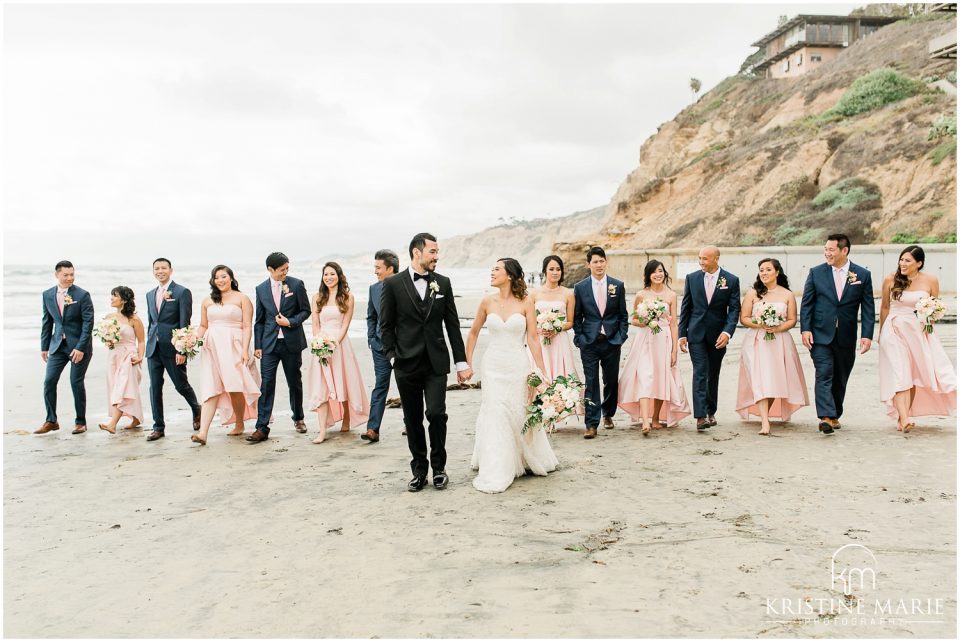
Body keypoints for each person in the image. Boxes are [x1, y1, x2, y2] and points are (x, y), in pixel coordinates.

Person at [378, 233, 470, 492]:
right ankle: (419, 470)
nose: (437, 256)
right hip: (405, 363)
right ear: (417, 253)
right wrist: (392, 356)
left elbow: (452, 325)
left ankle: (439, 468)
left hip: (436, 362)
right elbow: (386, 325)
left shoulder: (443, 283)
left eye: (437, 251)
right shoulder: (393, 284)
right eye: (433, 251)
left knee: (436, 413)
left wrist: (461, 362)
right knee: (413, 418)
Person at [465, 258, 558, 493]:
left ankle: (524, 458)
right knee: (495, 411)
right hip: (493, 365)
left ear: (509, 275)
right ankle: (497, 464)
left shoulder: (526, 302)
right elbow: (473, 333)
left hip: (517, 364)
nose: (492, 272)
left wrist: (541, 370)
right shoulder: (487, 301)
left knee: (517, 410)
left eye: (496, 269)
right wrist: (467, 363)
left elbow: (533, 339)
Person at [800, 233, 875, 435]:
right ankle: (825, 416)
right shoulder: (816, 273)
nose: (827, 253)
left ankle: (834, 415)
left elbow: (868, 308)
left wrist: (867, 335)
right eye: (825, 249)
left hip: (846, 335)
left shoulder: (862, 275)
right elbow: (807, 304)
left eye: (831, 249)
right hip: (820, 334)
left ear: (844, 250)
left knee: (840, 376)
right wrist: (805, 329)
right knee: (824, 373)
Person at [878, 245, 956, 431]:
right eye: (901, 259)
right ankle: (904, 419)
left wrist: (929, 318)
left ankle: (903, 416)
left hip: (918, 331)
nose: (902, 264)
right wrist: (881, 334)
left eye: (907, 261)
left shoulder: (931, 280)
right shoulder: (891, 278)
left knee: (911, 374)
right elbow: (885, 308)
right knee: (900, 371)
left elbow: (935, 307)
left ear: (919, 263)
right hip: (894, 329)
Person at [735, 259, 808, 435]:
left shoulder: (787, 295)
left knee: (776, 380)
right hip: (757, 341)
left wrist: (777, 327)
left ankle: (765, 415)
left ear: (777, 272)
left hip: (780, 341)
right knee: (760, 379)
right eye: (761, 270)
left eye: (768, 269)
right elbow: (744, 318)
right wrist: (760, 323)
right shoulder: (753, 293)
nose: (764, 273)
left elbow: (792, 320)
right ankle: (765, 422)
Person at [618, 259, 691, 434]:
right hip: (644, 340)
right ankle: (644, 421)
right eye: (654, 272)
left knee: (660, 378)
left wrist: (674, 350)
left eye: (660, 271)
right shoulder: (641, 295)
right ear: (648, 275)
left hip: (663, 340)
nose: (658, 274)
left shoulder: (671, 295)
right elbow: (634, 319)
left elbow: (674, 324)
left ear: (664, 273)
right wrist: (645, 321)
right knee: (644, 377)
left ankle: (656, 418)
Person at [192, 265, 261, 445]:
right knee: (211, 387)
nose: (220, 280)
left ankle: (239, 423)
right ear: (213, 281)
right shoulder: (207, 301)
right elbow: (203, 325)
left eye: (223, 276)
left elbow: (247, 326)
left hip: (234, 345)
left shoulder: (242, 298)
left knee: (235, 386)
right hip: (211, 347)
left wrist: (245, 350)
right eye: (216, 277)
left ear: (231, 278)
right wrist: (191, 340)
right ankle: (203, 433)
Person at [248, 252, 311, 443]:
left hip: (291, 342)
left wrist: (290, 322)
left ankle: (298, 417)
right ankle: (262, 427)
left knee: (294, 381)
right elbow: (258, 321)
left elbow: (306, 310)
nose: (286, 272)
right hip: (269, 344)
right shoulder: (261, 289)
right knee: (266, 384)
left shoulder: (296, 284)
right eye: (282, 269)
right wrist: (258, 345)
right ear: (270, 270)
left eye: (287, 268)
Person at [305, 262, 370, 444]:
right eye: (326, 274)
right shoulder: (317, 297)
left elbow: (345, 325)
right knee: (321, 387)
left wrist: (333, 344)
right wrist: (320, 345)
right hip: (320, 346)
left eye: (332, 274)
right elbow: (316, 324)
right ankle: (322, 430)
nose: (329, 277)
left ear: (339, 276)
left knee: (344, 381)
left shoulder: (348, 297)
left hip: (340, 346)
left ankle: (347, 418)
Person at [678, 246, 741, 431]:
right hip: (696, 334)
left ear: (716, 258)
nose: (701, 262)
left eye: (705, 258)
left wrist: (728, 332)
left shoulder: (731, 280)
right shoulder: (692, 278)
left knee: (713, 373)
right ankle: (700, 416)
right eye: (699, 258)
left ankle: (710, 411)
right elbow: (686, 308)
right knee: (700, 371)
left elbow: (734, 310)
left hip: (718, 336)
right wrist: (682, 333)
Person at [572, 246, 629, 439]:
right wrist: (580, 338)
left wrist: (621, 336)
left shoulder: (617, 285)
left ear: (606, 262)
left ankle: (608, 413)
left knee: (610, 380)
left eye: (602, 261)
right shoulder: (580, 288)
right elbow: (577, 316)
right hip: (589, 342)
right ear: (588, 264)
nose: (599, 265)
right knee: (591, 382)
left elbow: (623, 315)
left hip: (612, 341)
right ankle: (591, 423)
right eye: (595, 262)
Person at [144, 257, 201, 441]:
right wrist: (148, 343)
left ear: (171, 270)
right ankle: (158, 427)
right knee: (154, 387)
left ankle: (196, 408)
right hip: (153, 348)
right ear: (153, 271)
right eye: (156, 268)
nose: (160, 271)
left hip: (173, 347)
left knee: (180, 385)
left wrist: (182, 350)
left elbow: (185, 323)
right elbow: (152, 322)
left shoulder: (182, 292)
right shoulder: (149, 294)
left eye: (163, 268)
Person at [37, 260, 94, 436]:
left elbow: (88, 324)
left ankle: (80, 422)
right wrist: (44, 347)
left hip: (79, 347)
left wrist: (80, 347)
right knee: (49, 382)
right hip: (57, 346)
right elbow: (47, 322)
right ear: (57, 275)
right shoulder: (47, 294)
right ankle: (51, 420)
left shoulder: (82, 295)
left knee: (75, 383)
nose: (70, 278)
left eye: (72, 274)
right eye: (66, 275)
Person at [362, 249, 399, 443]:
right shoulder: (373, 289)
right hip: (379, 347)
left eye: (378, 267)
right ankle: (372, 429)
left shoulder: (405, 287)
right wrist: (371, 338)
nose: (375, 271)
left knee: (407, 387)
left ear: (390, 268)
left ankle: (411, 424)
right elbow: (371, 316)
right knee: (380, 386)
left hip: (402, 347)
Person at [98, 286, 146, 434]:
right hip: (114, 357)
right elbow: (106, 338)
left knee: (123, 388)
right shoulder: (109, 317)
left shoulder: (134, 319)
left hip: (129, 357)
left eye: (115, 296)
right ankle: (136, 418)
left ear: (124, 300)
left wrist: (140, 357)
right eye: (111, 295)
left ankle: (112, 424)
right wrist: (108, 341)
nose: (111, 298)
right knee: (116, 388)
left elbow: (142, 340)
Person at [531, 255, 578, 382]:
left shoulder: (568, 293)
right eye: (551, 269)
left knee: (561, 377)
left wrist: (556, 328)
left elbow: (570, 322)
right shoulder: (534, 294)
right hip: (540, 341)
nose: (555, 272)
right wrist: (540, 329)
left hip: (559, 341)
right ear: (544, 271)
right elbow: (530, 321)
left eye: (558, 269)